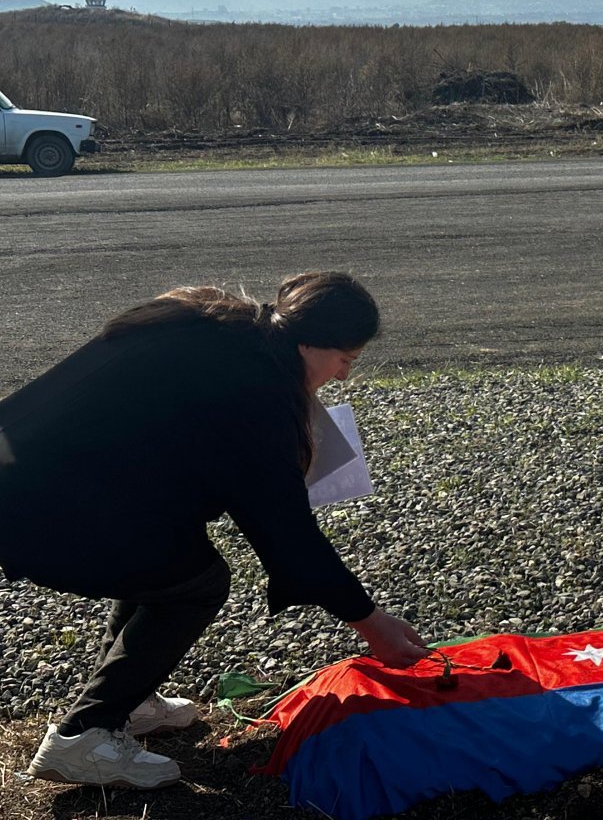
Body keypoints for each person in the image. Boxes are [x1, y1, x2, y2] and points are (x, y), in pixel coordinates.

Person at [0, 271, 429, 789]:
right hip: (33, 504)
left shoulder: (218, 323)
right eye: (346, 360)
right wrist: (372, 623)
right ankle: (83, 737)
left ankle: (127, 703)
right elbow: (285, 531)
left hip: (25, 470)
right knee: (196, 583)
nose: (342, 377)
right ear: (310, 343)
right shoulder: (257, 390)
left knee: (163, 559)